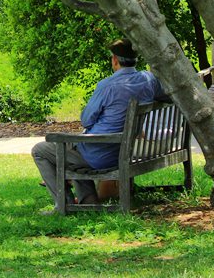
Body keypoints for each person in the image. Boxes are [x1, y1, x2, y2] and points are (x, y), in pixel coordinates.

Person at [32, 38, 165, 208]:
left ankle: (63, 205)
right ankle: (87, 201)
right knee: (73, 149)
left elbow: (86, 120)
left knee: (40, 150)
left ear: (115, 60)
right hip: (126, 151)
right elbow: (166, 96)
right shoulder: (149, 79)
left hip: (102, 154)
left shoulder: (107, 85)